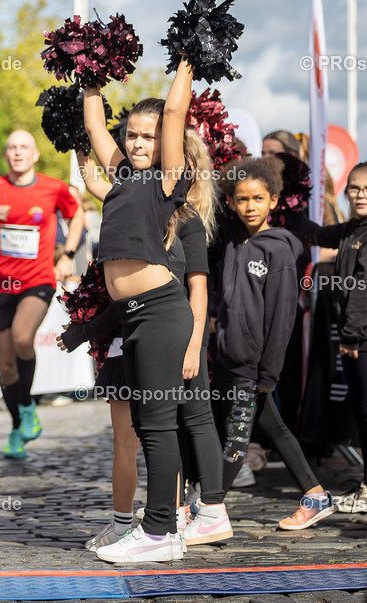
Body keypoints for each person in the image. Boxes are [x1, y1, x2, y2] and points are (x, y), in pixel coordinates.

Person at [67, 138, 231, 552]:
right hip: (135, 333)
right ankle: (141, 523)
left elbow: (197, 289)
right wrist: (80, 143)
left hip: (175, 335)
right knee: (143, 429)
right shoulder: (139, 206)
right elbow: (96, 184)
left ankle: (190, 515)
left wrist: (194, 346)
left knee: (185, 422)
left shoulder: (188, 220)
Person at [81, 57, 193, 563]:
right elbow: (92, 123)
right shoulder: (121, 178)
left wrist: (190, 54)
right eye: (131, 135)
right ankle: (159, 532)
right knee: (148, 425)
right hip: (135, 316)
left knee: (158, 423)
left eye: (147, 137)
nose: (136, 143)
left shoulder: (167, 180)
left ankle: (161, 532)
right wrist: (87, 68)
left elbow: (174, 110)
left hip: (163, 311)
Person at [214, 158, 335, 529]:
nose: (250, 206)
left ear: (274, 200)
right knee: (275, 428)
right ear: (231, 202)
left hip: (255, 366)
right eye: (242, 199)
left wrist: (268, 373)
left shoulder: (279, 250)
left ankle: (208, 507)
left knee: (237, 437)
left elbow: (283, 317)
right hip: (231, 359)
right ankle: (315, 496)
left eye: (258, 198)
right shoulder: (233, 240)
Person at [287, 161, 367, 514]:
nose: (361, 195)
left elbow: (366, 288)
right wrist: (291, 200)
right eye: (355, 188)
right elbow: (317, 235)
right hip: (360, 337)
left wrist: (350, 336)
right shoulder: (355, 228)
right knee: (364, 413)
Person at [0, 129, 83, 459]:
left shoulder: (53, 187)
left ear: (35, 154)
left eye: (24, 147)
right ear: (6, 155)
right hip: (0, 283)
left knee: (22, 338)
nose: (17, 152)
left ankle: (27, 406)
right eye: (11, 147)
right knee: (5, 367)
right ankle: (19, 424)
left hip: (37, 281)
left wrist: (68, 254)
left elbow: (78, 214)